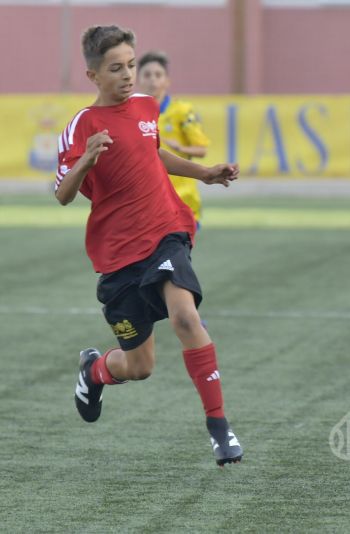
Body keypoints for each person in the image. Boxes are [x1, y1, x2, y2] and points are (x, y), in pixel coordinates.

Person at [55, 25, 243, 466]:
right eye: (116, 69)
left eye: (131, 66)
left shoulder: (145, 107)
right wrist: (87, 158)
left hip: (164, 232)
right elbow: (62, 193)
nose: (127, 76)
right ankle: (95, 370)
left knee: (185, 316)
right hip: (119, 255)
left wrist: (205, 173)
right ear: (92, 76)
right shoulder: (83, 125)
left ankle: (219, 428)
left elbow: (152, 151)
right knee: (139, 366)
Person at [137, 50, 208, 226]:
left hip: (182, 200)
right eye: (147, 75)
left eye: (158, 75)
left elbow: (202, 149)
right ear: (137, 80)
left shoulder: (183, 111)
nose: (152, 80)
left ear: (167, 81)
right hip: (147, 203)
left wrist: (181, 149)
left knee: (176, 252)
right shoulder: (131, 114)